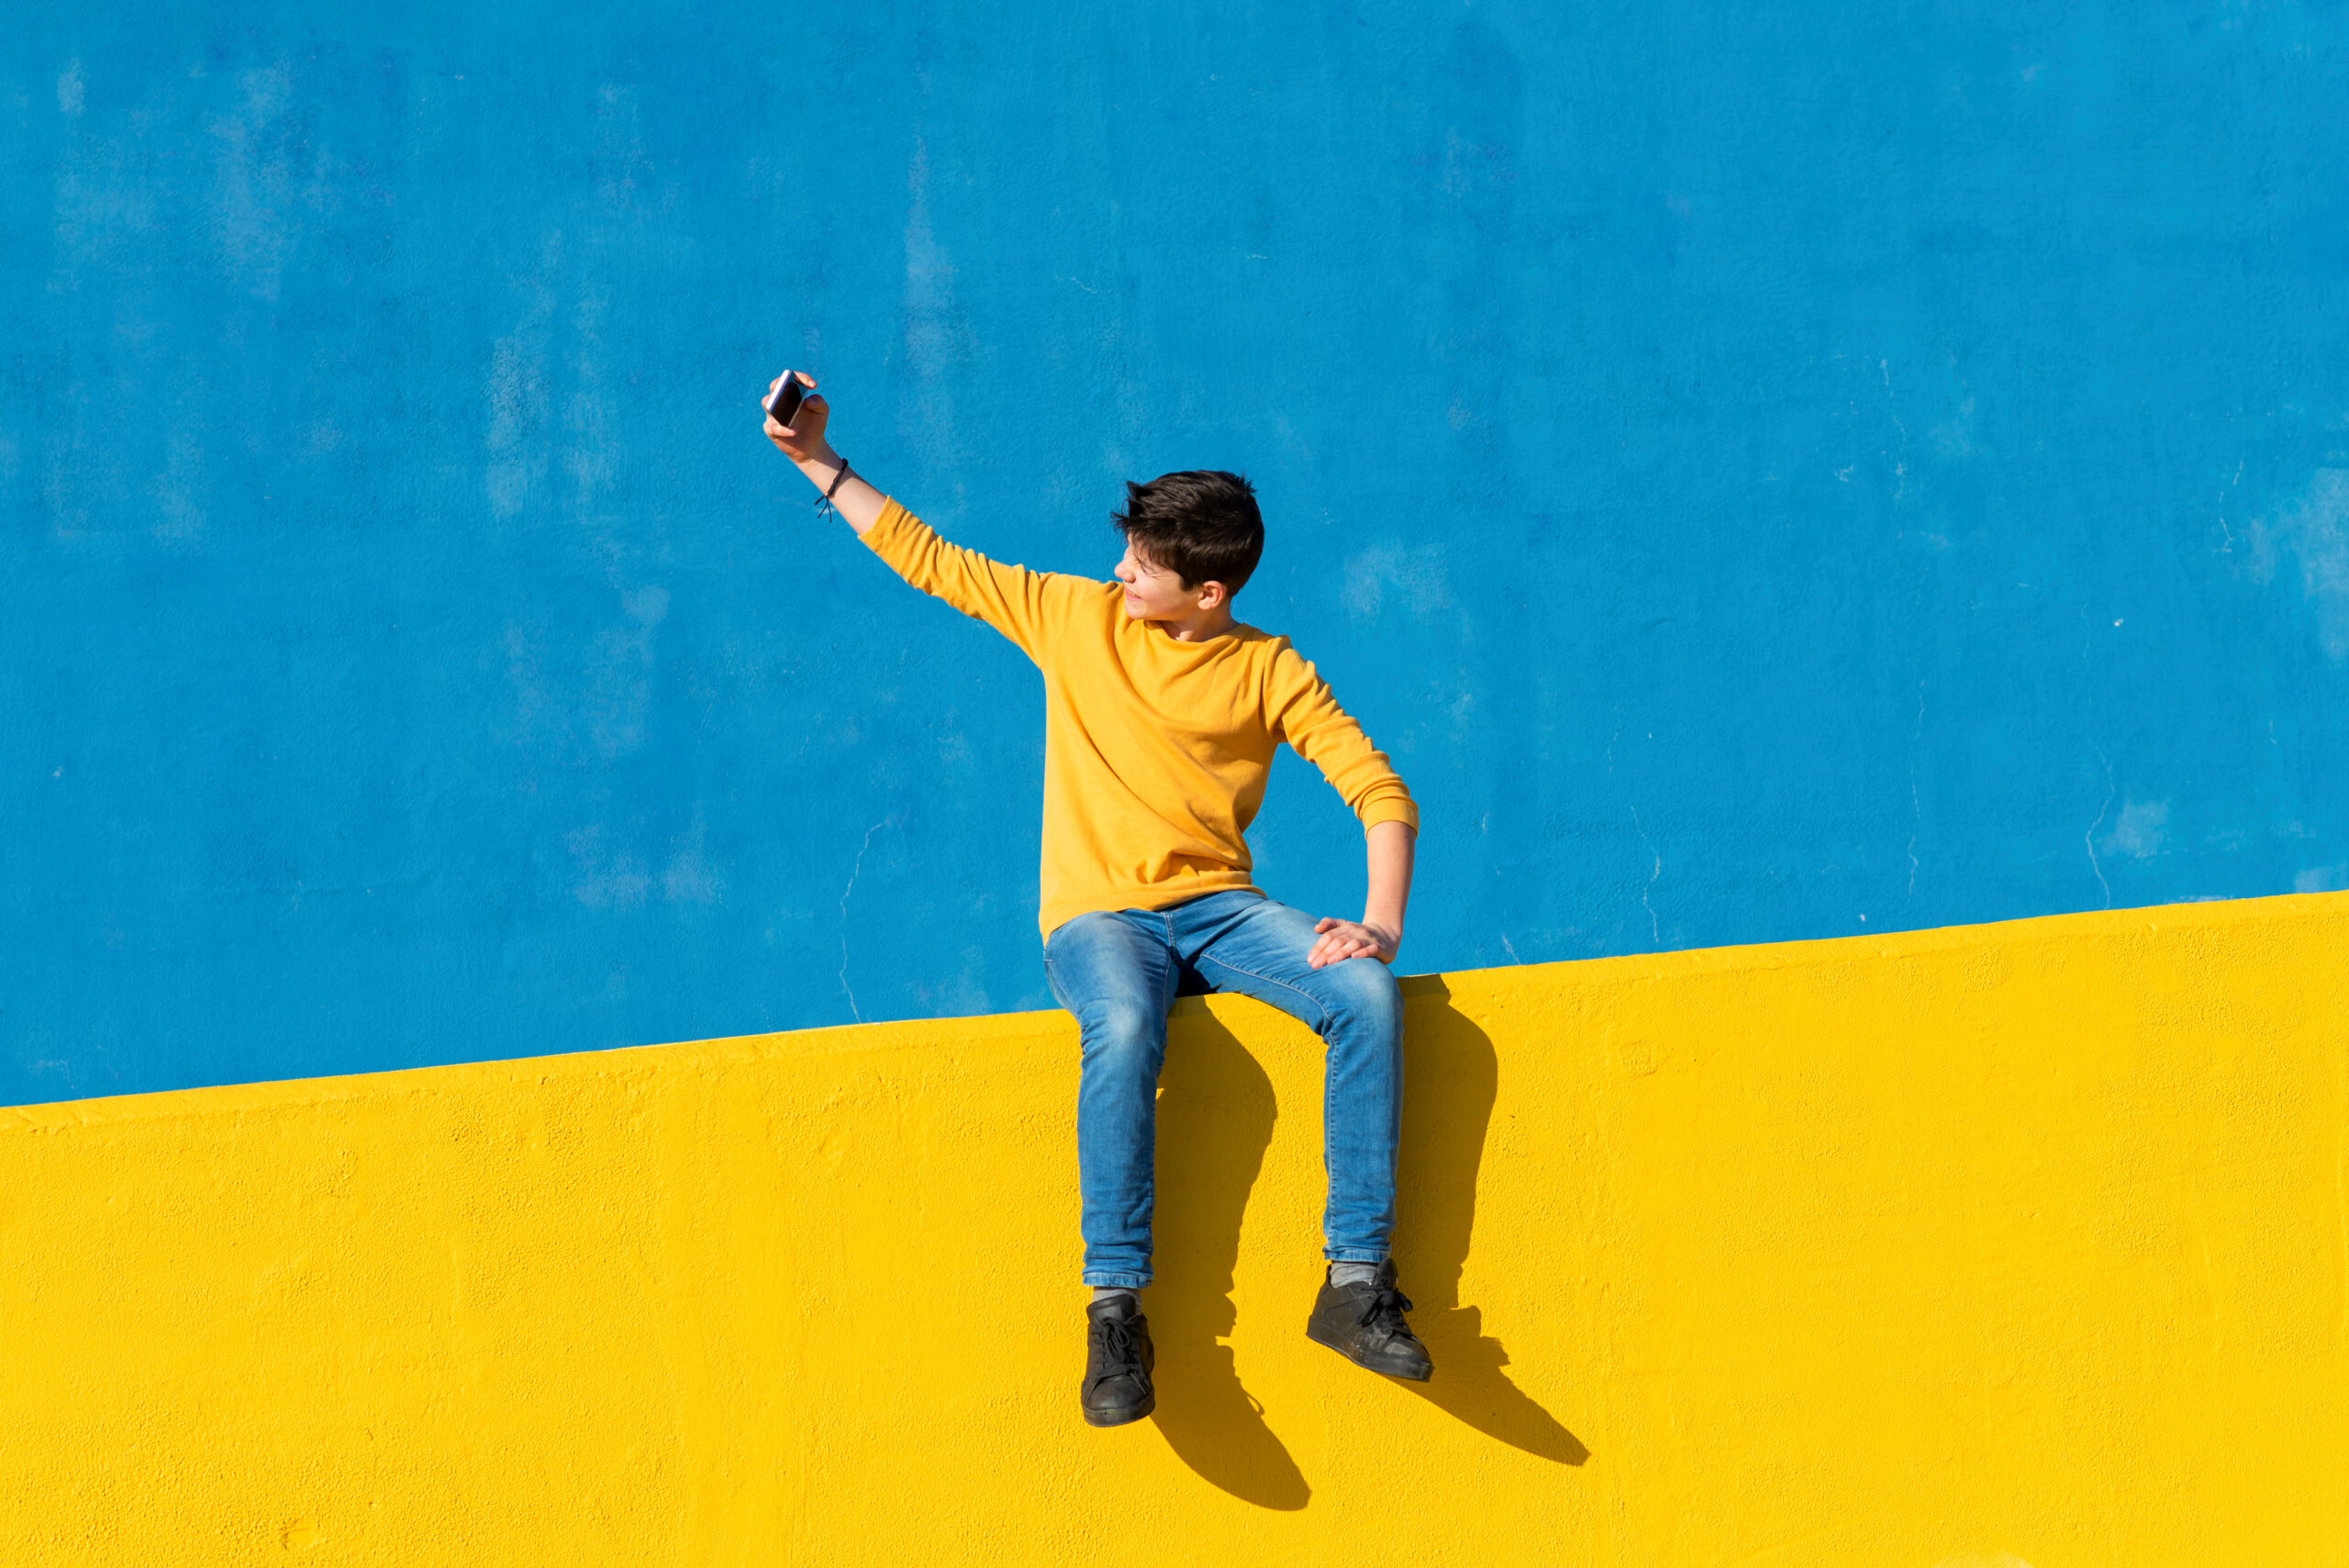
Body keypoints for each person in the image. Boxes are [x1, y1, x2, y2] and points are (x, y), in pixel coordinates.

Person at [762, 372, 1431, 1428]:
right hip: (1099, 915)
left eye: (1143, 563)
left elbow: (1378, 788)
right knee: (1119, 1022)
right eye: (1125, 551)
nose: (1120, 570)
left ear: (1208, 591)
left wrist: (1377, 924)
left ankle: (1354, 1282)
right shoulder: (1074, 618)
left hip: (1218, 908)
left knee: (1368, 996)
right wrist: (815, 459)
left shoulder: (1268, 668)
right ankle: (1114, 1308)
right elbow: (931, 558)